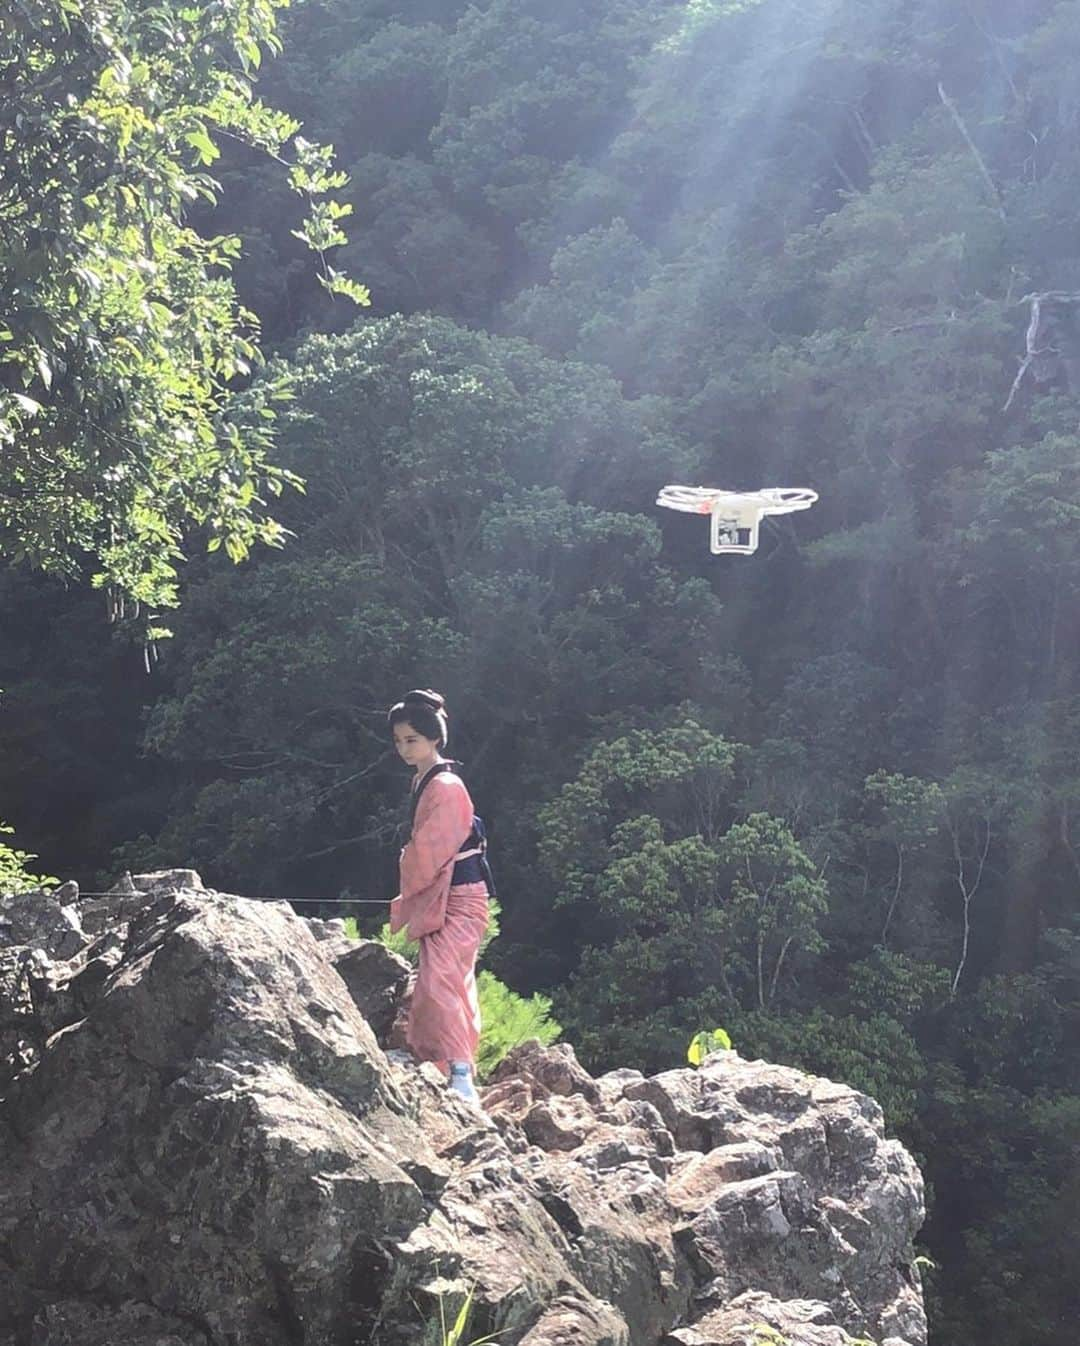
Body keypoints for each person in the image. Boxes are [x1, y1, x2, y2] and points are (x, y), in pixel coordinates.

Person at [387, 689, 489, 1105]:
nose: (404, 748)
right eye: (398, 741)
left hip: (461, 895)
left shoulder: (446, 785)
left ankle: (460, 1072)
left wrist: (407, 860)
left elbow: (431, 849)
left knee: (442, 978)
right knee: (441, 980)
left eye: (412, 739)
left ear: (433, 738)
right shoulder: (426, 780)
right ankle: (448, 1063)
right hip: (446, 892)